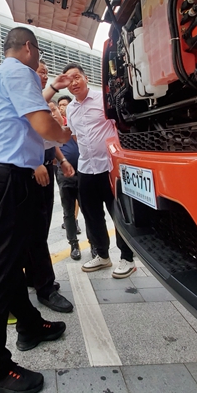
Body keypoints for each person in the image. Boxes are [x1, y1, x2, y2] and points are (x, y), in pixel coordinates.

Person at [0, 27, 71, 393]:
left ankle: (29, 325)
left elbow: (26, 128)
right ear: (29, 47)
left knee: (11, 261)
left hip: (1, 177)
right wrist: (66, 134)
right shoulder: (18, 72)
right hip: (6, 179)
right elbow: (43, 125)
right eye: (38, 52)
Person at [59, 62, 136, 278]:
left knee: (117, 213)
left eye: (76, 77)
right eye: (68, 80)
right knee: (91, 215)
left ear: (85, 77)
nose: (73, 83)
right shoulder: (72, 108)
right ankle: (102, 255)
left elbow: (119, 126)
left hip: (108, 167)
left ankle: (127, 258)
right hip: (86, 168)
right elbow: (76, 136)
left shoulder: (103, 99)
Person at [24, 60, 74, 312]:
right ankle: (44, 285)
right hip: (32, 167)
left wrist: (62, 160)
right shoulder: (27, 96)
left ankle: (34, 276)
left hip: (44, 163)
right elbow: (24, 134)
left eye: (45, 72)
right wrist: (34, 163)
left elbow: (48, 139)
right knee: (34, 226)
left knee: (40, 225)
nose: (43, 76)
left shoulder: (40, 98)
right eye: (39, 72)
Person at [55, 95, 82, 260]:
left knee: (89, 209)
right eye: (59, 106)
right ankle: (74, 244)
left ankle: (95, 245)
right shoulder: (53, 132)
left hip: (84, 172)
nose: (61, 108)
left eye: (64, 105)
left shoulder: (75, 127)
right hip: (64, 175)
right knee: (68, 211)